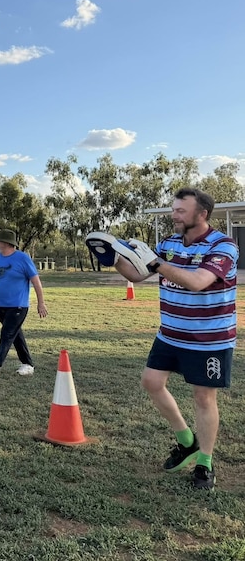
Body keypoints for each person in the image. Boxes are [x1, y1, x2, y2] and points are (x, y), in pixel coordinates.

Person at [96, 188, 237, 490]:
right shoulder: (170, 243)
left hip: (208, 339)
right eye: (173, 209)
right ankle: (187, 441)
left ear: (202, 214)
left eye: (181, 211)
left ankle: (205, 464)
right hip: (171, 333)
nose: (174, 215)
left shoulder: (223, 246)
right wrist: (114, 258)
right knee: (151, 382)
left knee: (203, 397)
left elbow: (199, 282)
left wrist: (156, 262)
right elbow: (137, 275)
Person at [0, 229, 48, 379]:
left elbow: (36, 282)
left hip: (18, 305)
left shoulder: (22, 258)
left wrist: (41, 303)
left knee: (7, 334)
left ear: (5, 243)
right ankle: (28, 364)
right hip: (0, 305)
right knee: (15, 335)